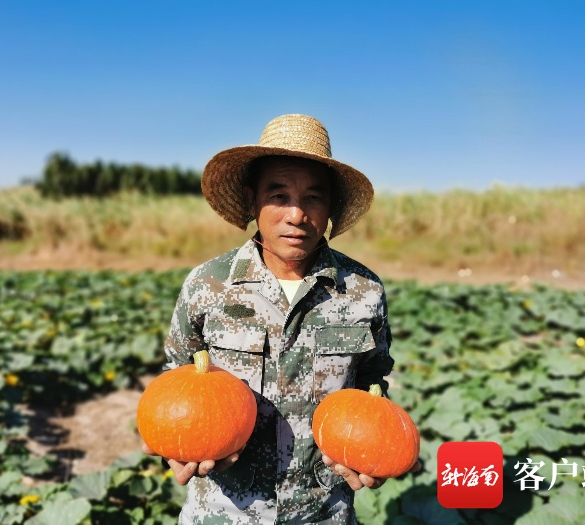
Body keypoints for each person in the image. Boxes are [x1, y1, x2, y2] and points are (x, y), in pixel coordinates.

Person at [142, 114, 420, 523]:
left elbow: (372, 380)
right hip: (222, 512)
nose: (296, 215)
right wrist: (177, 447)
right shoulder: (207, 284)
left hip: (324, 511)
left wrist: (373, 452)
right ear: (253, 201)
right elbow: (177, 375)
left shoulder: (364, 291)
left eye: (313, 197)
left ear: (330, 209)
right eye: (278, 195)